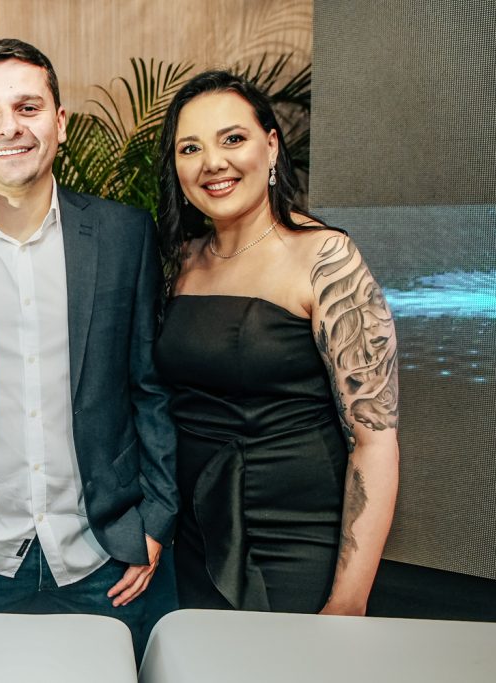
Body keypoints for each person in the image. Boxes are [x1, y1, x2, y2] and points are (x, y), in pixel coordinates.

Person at [0, 38, 177, 652]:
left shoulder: (124, 234)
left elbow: (149, 388)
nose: (9, 127)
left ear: (60, 122)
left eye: (27, 107)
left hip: (107, 554)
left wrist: (155, 520)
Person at [154, 70, 399, 615]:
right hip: (195, 535)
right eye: (190, 148)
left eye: (232, 139)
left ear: (270, 146)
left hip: (293, 537)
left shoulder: (325, 258)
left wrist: (349, 600)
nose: (212, 162)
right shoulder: (179, 262)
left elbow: (374, 440)